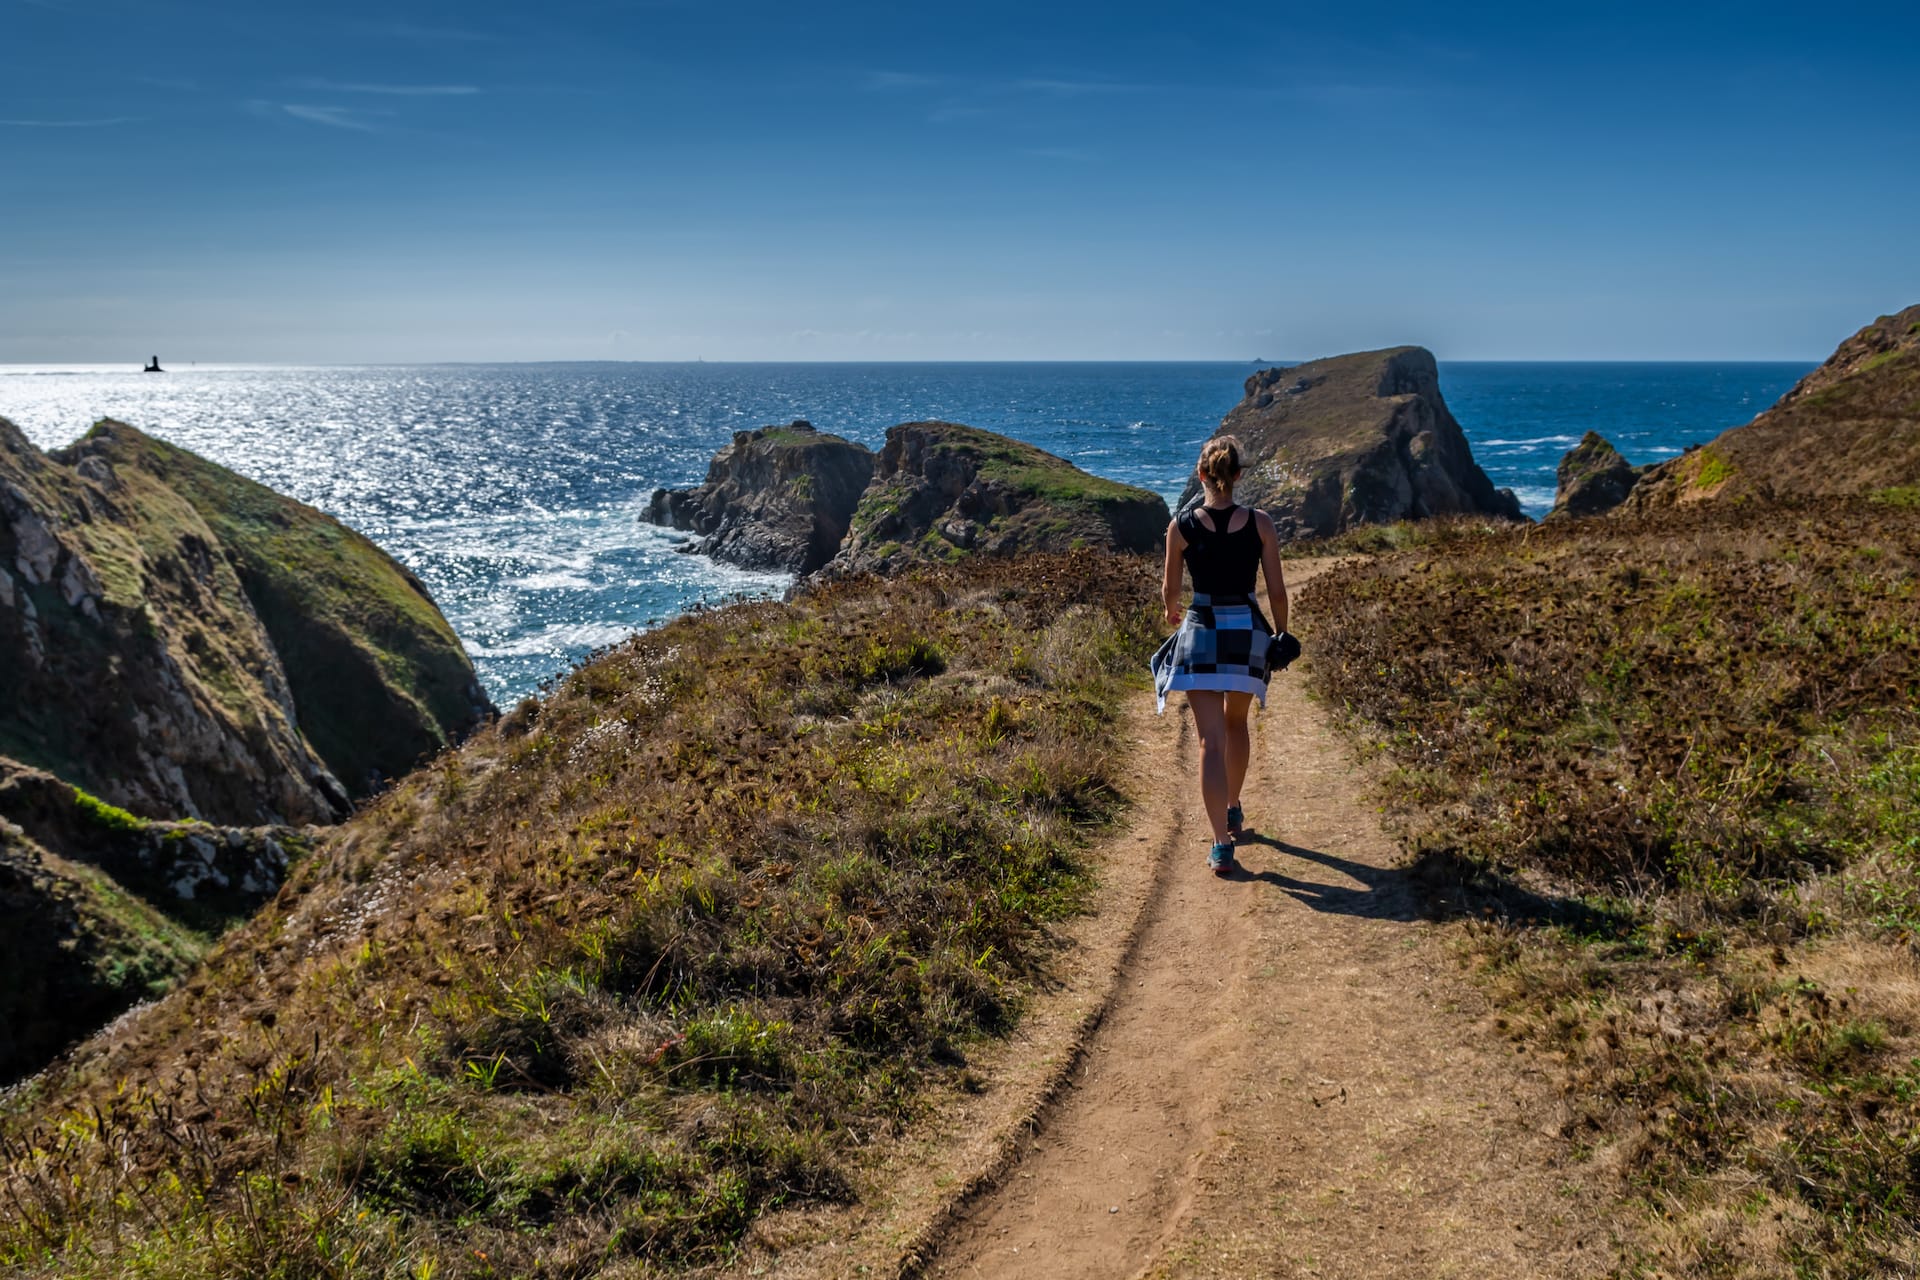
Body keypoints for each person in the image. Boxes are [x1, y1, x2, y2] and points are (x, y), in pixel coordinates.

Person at [1150, 436, 1293, 877]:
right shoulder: (1261, 523)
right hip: (1247, 635)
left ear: (1201, 476)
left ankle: (1220, 844)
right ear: (1237, 475)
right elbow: (1277, 591)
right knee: (1237, 724)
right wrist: (1282, 632)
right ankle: (1233, 805)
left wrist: (1172, 611)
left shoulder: (1181, 527)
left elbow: (1171, 591)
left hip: (1202, 633)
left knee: (1210, 739)